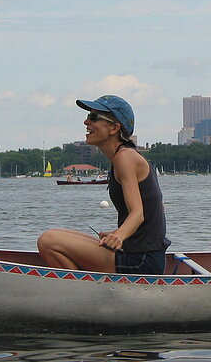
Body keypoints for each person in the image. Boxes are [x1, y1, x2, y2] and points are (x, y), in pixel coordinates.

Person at [38, 95, 170, 274]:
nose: (86, 122)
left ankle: (83, 295)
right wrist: (119, 233)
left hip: (141, 261)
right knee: (58, 233)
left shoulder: (125, 158)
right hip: (139, 252)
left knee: (48, 241)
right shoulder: (124, 156)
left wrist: (120, 236)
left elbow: (138, 213)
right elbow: (156, 209)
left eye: (93, 117)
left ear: (114, 128)